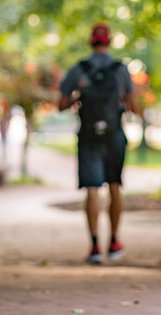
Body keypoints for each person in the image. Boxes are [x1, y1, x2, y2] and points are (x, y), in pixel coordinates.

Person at [58, 23, 138, 264]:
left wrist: (78, 96)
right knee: (114, 186)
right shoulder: (121, 70)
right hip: (114, 135)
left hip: (88, 135)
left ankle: (94, 246)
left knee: (92, 189)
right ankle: (114, 241)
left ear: (90, 42)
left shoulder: (78, 69)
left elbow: (61, 104)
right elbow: (134, 107)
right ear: (109, 42)